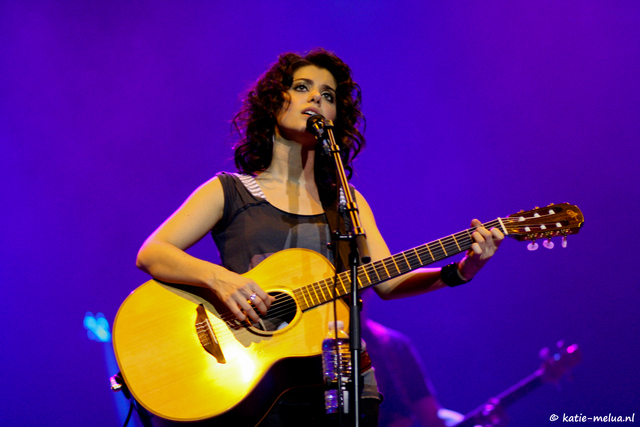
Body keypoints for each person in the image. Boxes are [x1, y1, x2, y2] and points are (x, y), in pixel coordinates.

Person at [135, 48, 504, 427]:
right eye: (302, 87)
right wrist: (220, 279)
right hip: (260, 383)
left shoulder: (347, 200)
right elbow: (153, 253)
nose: (316, 98)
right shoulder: (229, 191)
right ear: (273, 103)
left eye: (328, 95)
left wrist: (461, 270)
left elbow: (388, 282)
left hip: (346, 380)